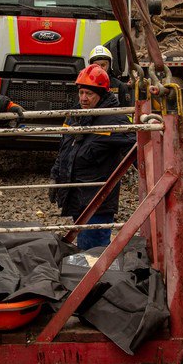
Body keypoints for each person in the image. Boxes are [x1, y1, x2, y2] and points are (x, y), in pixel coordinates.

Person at [51, 64, 134, 251]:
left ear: (101, 94)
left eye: (89, 94)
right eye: (81, 93)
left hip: (98, 200)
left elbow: (138, 146)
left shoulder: (113, 119)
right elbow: (64, 150)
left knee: (93, 253)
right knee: (83, 251)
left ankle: (99, 281)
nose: (83, 99)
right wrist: (56, 176)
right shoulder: (74, 116)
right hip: (77, 196)